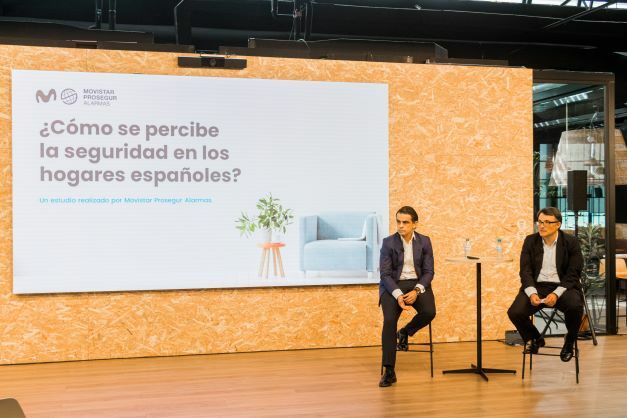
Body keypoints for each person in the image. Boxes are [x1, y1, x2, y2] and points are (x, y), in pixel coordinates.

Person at [507, 207, 584, 362]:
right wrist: (532, 293)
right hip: (537, 286)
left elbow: (573, 273)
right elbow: (525, 271)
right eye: (540, 222)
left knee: (575, 306)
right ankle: (535, 339)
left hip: (563, 287)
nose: (542, 226)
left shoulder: (571, 242)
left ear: (558, 224)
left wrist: (556, 293)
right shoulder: (530, 241)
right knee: (515, 312)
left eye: (547, 222)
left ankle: (570, 341)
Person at [378, 206, 436, 387]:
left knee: (429, 312)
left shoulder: (425, 241)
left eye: (405, 222)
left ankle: (405, 332)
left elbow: (429, 271)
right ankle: (389, 371)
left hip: (417, 283)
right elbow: (385, 275)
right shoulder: (388, 243)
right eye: (398, 222)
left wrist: (417, 290)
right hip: (393, 285)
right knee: (389, 321)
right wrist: (398, 295)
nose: (400, 226)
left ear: (414, 224)